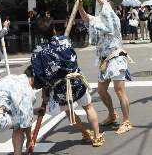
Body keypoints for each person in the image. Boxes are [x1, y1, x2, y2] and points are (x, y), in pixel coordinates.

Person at [33, 18, 104, 147]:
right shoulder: (65, 40)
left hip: (60, 88)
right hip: (76, 81)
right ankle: (97, 137)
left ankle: (86, 133)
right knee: (88, 107)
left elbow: (39, 75)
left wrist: (45, 91)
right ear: (53, 29)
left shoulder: (38, 51)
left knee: (69, 112)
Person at [78, 0, 132, 134]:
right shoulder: (98, 21)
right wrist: (80, 6)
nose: (100, 9)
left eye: (102, 8)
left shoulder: (112, 19)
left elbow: (103, 2)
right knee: (101, 91)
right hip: (104, 61)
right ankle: (112, 114)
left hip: (116, 57)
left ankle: (127, 121)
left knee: (119, 89)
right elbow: (86, 18)